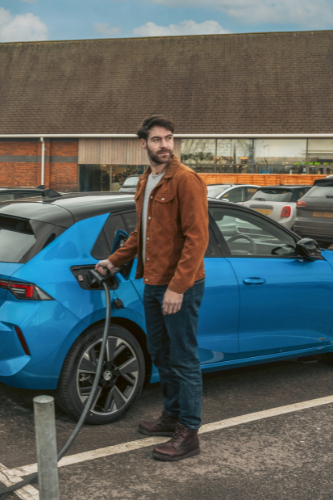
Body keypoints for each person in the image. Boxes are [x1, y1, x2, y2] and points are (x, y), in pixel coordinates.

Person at [96, 115, 209, 462]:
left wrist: (178, 287)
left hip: (180, 286)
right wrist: (113, 261)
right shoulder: (147, 181)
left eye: (169, 138)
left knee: (184, 357)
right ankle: (171, 416)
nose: (164, 145)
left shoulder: (186, 180)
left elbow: (197, 238)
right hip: (153, 282)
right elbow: (141, 234)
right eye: (157, 139)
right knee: (161, 354)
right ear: (142, 144)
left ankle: (188, 433)